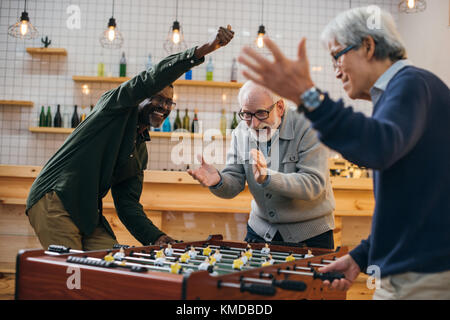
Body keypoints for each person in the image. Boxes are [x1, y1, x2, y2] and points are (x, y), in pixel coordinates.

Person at [237, 6, 450, 299]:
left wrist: (308, 96)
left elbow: (377, 147)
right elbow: (411, 205)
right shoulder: (404, 91)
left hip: (423, 276)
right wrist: (361, 257)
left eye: (337, 55)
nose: (335, 70)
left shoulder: (410, 85)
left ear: (368, 45)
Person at [25, 26, 235, 251]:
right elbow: (151, 78)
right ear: (140, 96)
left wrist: (156, 237)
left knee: (112, 264)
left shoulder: (139, 148)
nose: (164, 107)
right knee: (74, 273)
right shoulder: (113, 107)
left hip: (86, 213)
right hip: (54, 199)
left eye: (169, 103)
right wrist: (204, 49)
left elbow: (127, 205)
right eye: (158, 99)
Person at [188, 81, 336, 249]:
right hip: (260, 231)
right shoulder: (242, 132)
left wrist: (268, 178)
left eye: (261, 113)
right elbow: (234, 181)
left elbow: (313, 184)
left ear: (280, 107)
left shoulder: (311, 127)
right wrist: (218, 181)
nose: (254, 123)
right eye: (247, 114)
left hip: (310, 235)